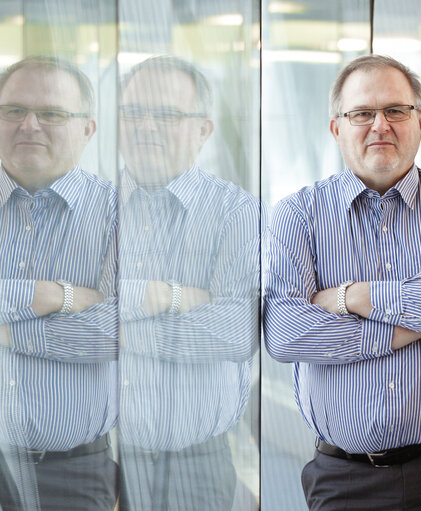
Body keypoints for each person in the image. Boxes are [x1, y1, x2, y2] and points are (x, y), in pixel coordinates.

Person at [264, 54, 421, 510]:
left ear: (420, 122)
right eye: (362, 113)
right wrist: (411, 322)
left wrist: (355, 296)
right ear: (337, 128)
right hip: (344, 477)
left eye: (395, 111)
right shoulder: (298, 215)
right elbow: (284, 331)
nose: (380, 125)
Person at [0, 56, 118, 510]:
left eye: (51, 113)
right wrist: (55, 296)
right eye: (13, 111)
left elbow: (116, 332)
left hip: (74, 470)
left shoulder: (120, 213)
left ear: (87, 129)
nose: (29, 124)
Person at [117, 55, 260, 510]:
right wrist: (169, 298)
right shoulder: (88, 208)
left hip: (196, 468)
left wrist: (117, 328)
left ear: (203, 130)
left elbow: (236, 331)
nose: (146, 127)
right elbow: (60, 313)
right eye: (134, 113)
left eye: (167, 115)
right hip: (98, 459)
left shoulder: (235, 213)